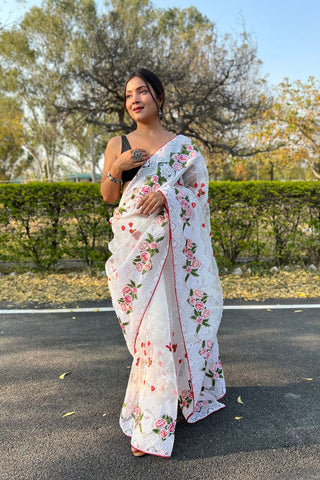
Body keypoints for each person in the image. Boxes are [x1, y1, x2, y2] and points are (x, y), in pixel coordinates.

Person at [101, 68, 226, 458]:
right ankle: (162, 403)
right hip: (136, 252)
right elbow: (109, 196)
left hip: (173, 253)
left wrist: (168, 197)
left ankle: (154, 420)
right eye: (128, 95)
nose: (134, 99)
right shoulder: (118, 143)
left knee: (171, 321)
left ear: (159, 97)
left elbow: (198, 195)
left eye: (142, 92)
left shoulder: (182, 147)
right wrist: (117, 169)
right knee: (150, 330)